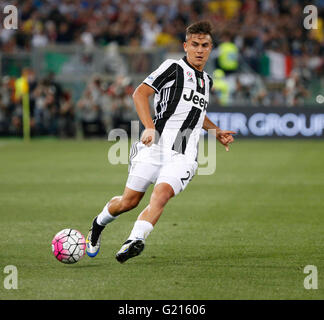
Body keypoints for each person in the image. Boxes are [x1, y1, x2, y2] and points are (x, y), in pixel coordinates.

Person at [85, 21, 236, 263]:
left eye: (205, 45)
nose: (199, 50)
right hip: (154, 146)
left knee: (162, 193)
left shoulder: (206, 81)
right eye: (195, 44)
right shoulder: (172, 68)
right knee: (129, 202)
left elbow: (196, 111)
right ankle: (97, 224)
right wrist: (149, 127)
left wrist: (215, 131)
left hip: (185, 154)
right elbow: (140, 93)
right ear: (186, 46)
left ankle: (135, 239)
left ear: (211, 48)